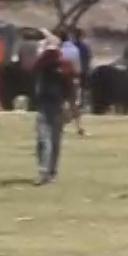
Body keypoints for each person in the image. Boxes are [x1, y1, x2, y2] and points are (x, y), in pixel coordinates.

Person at [31, 35, 77, 184]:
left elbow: (71, 87)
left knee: (49, 139)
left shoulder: (62, 64)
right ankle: (47, 170)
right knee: (47, 139)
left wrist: (72, 106)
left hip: (55, 105)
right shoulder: (48, 63)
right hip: (49, 105)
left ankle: (49, 171)